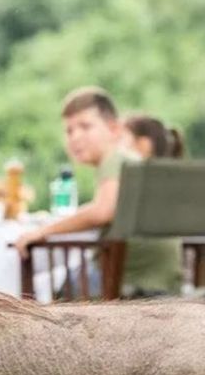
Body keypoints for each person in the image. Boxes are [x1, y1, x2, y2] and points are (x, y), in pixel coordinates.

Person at [16, 87, 182, 297]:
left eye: (85, 126)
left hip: (129, 282)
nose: (75, 137)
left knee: (45, 291)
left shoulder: (114, 159)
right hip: (160, 281)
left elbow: (103, 211)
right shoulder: (131, 161)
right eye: (69, 131)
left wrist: (42, 232)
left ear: (114, 130)